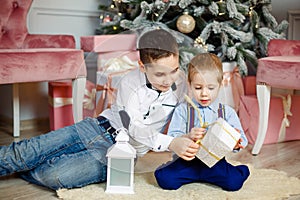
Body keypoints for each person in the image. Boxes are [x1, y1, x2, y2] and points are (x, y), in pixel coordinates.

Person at [0, 29, 200, 190]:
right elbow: (134, 126)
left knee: (56, 176)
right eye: (159, 74)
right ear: (142, 66)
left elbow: (194, 109)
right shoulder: (129, 83)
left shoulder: (181, 82)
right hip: (96, 128)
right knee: (25, 152)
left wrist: (190, 133)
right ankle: (24, 161)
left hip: (123, 154)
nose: (168, 80)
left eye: (173, 70)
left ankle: (27, 167)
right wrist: (171, 142)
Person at [154, 53, 250, 191]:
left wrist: (235, 142)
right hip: (187, 163)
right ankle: (170, 167)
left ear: (220, 84)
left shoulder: (227, 112)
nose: (204, 93)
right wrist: (188, 136)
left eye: (211, 88)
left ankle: (241, 170)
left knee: (233, 183)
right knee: (165, 180)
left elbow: (243, 141)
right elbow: (172, 139)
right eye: (198, 88)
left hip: (215, 163)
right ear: (190, 85)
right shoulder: (182, 110)